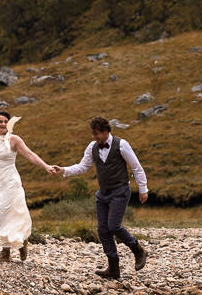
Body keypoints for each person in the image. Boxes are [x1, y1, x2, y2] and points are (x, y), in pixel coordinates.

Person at [50, 115, 148, 280]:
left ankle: (138, 250)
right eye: (93, 134)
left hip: (120, 191)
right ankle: (113, 268)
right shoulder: (92, 147)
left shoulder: (122, 145)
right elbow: (82, 166)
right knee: (103, 230)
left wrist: (143, 189)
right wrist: (63, 170)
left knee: (114, 226)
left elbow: (136, 167)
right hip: (103, 193)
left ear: (105, 132)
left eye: (96, 134)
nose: (94, 137)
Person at [0, 111, 53, 262]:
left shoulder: (14, 140)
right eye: (0, 121)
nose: (3, 124)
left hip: (11, 182)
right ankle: (19, 243)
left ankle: (6, 252)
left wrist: (46, 166)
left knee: (8, 214)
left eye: (6, 121)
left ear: (9, 123)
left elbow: (30, 154)